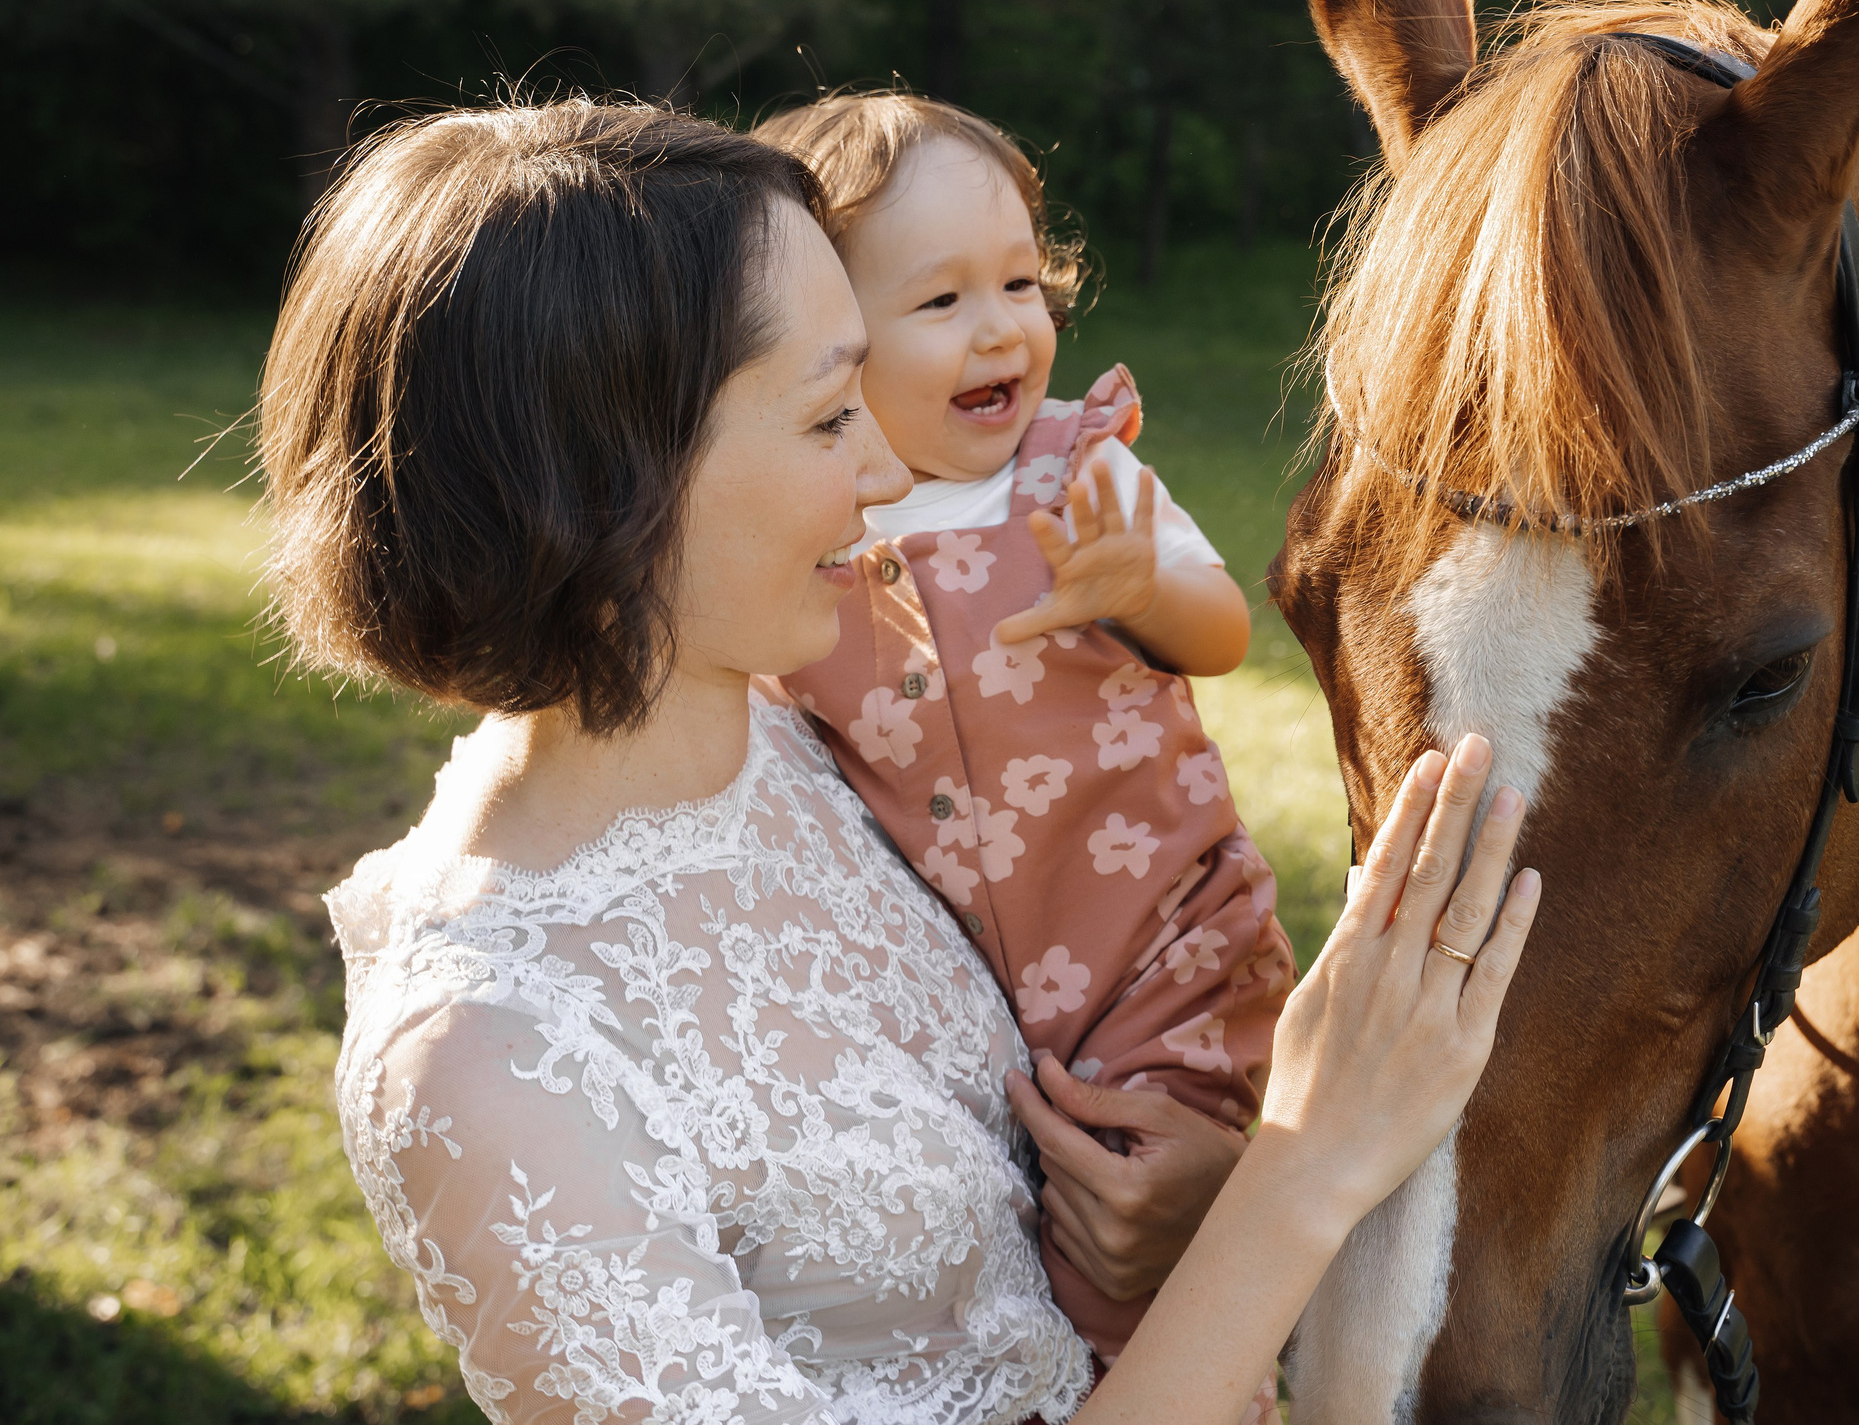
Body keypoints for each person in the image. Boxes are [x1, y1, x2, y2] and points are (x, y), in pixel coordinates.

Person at [269, 98, 1540, 1425]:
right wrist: (1306, 1164)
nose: (892, 471)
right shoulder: (487, 1053)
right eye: (831, 416)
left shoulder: (810, 747)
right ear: (600, 488)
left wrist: (1199, 1200)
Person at [748, 92, 1287, 1379]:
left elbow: (1221, 634)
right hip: (950, 997)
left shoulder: (1075, 474)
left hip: (1157, 947)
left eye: (1020, 283)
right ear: (822, 335)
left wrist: (1139, 588)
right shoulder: (808, 520)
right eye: (938, 304)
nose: (1000, 328)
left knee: (1141, 1263)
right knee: (992, 1276)